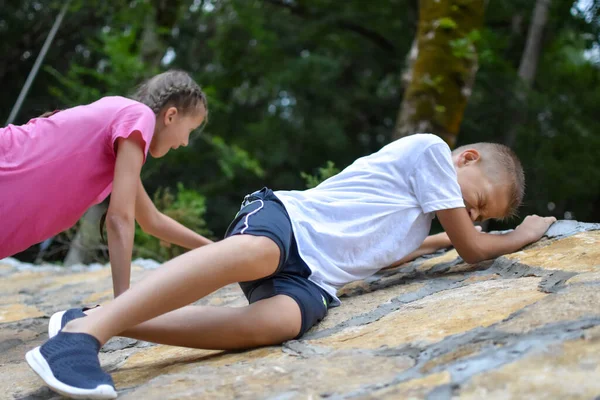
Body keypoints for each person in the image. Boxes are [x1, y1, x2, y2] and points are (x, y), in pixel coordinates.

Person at [26, 134, 556, 399]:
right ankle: (82, 339)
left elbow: (403, 248)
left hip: (311, 278)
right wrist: (520, 235)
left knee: (279, 323)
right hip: (285, 220)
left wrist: (436, 240)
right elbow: (472, 248)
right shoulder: (432, 152)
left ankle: (97, 317)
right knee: (260, 252)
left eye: (483, 215)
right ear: (466, 161)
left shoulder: (419, 221)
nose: (474, 215)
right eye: (480, 200)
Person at [1, 70, 213, 297]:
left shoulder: (120, 145)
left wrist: (216, 250)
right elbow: (119, 218)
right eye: (189, 130)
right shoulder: (139, 115)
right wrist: (123, 305)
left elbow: (151, 221)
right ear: (170, 116)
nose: (184, 142)